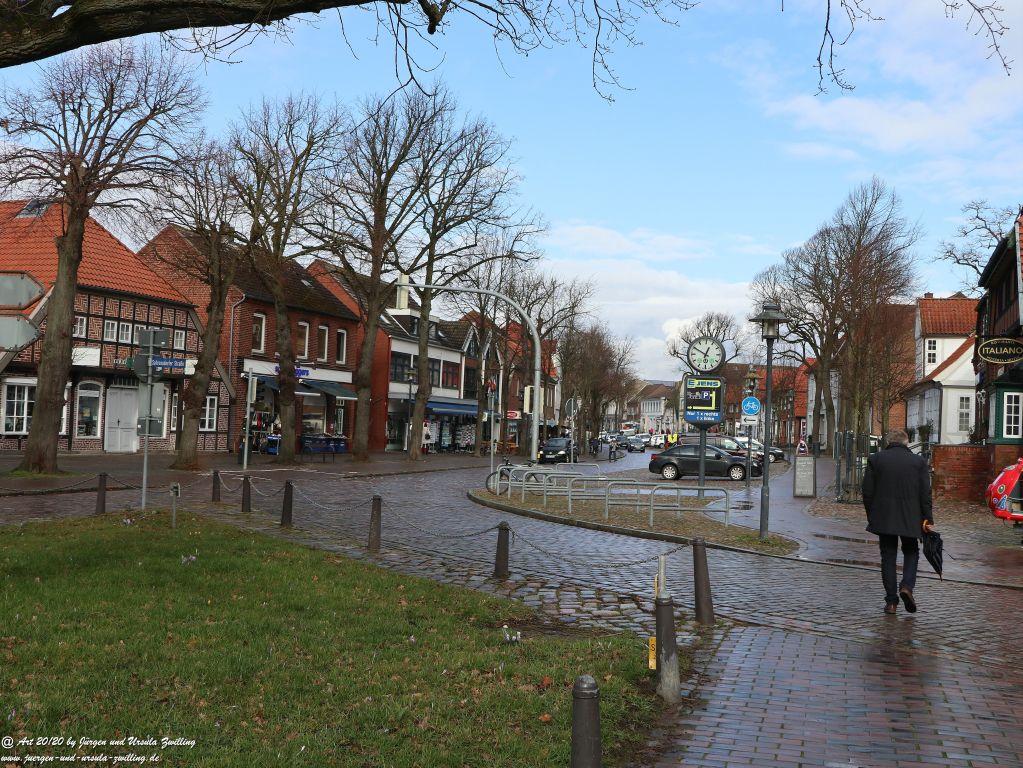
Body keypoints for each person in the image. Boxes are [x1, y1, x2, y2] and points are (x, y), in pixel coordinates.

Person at [862, 429, 934, 615]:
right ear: (906, 442)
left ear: (888, 442)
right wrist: (927, 518)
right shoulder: (918, 462)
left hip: (884, 516)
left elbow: (867, 491)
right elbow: (925, 493)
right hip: (911, 517)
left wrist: (872, 515)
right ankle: (907, 586)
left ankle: (891, 602)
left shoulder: (876, 459)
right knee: (911, 552)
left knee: (888, 556)